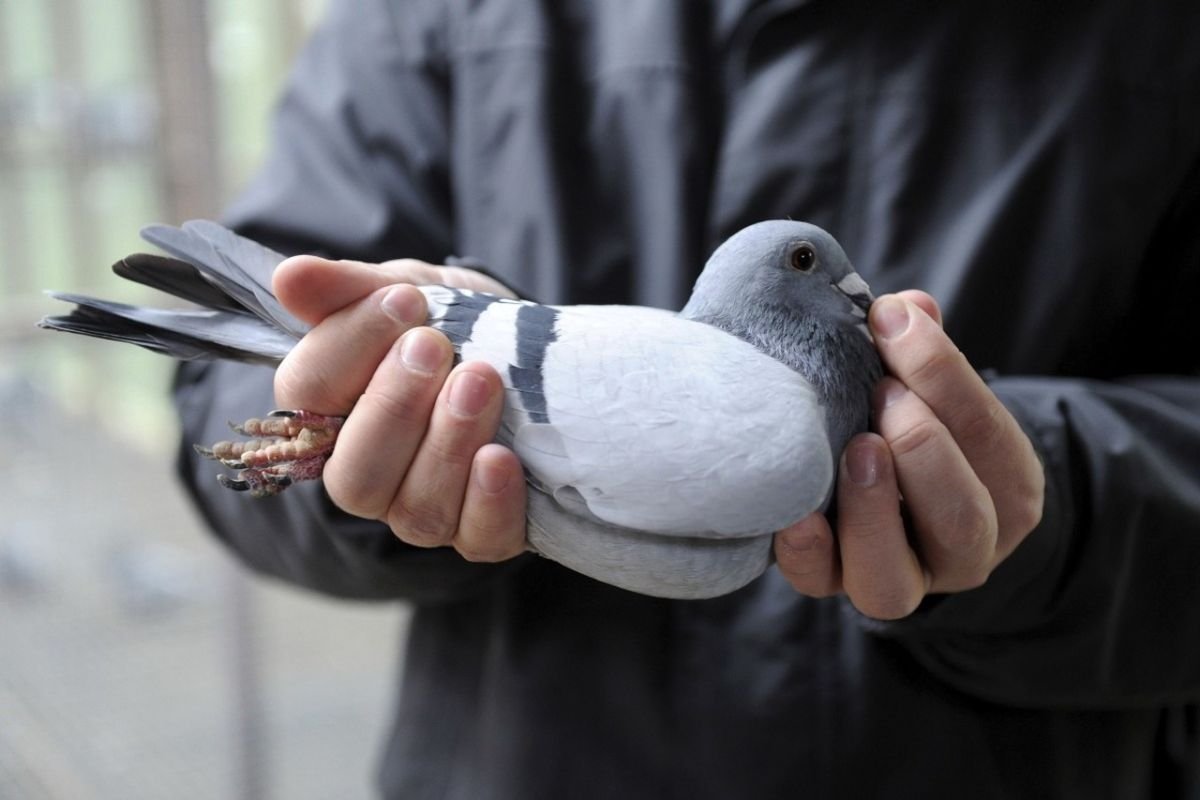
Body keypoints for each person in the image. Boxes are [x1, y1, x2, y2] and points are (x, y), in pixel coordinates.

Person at [173, 1, 1200, 797]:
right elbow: (222, 409)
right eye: (816, 267)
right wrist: (360, 425)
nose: (854, 291)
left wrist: (1049, 504)